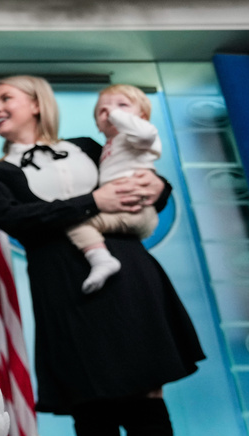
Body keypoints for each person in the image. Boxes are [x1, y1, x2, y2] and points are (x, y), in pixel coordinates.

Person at [0, 76, 205, 436]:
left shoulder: (87, 146)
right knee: (92, 413)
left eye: (5, 98)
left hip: (129, 282)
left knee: (147, 404)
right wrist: (91, 200)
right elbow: (19, 220)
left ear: (37, 104)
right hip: (64, 295)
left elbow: (135, 173)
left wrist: (159, 188)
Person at [69, 84, 163, 294]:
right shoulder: (109, 146)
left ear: (143, 116)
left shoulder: (136, 137)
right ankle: (102, 258)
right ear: (97, 125)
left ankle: (101, 260)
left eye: (123, 105)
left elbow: (145, 134)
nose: (111, 112)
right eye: (103, 111)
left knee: (76, 225)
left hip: (136, 210)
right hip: (125, 211)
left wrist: (117, 115)